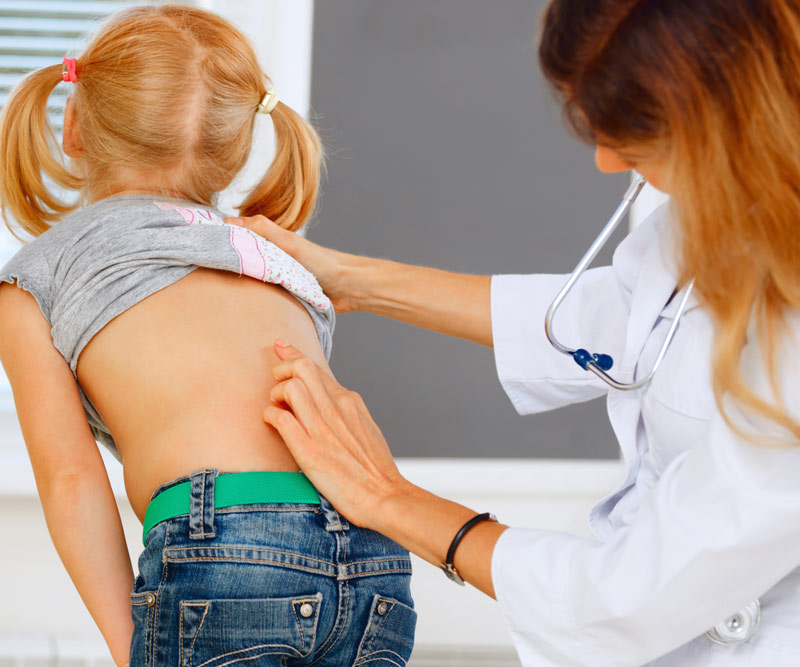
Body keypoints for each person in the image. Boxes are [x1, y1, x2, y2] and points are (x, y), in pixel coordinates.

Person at [227, 1, 800, 665]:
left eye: (637, 140)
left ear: (735, 127)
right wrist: (352, 280)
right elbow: (617, 318)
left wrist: (387, 496)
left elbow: (619, 593)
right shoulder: (731, 217)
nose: (607, 161)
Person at [0, 6, 416, 666]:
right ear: (236, 152)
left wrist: (130, 645)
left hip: (227, 543)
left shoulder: (39, 272)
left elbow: (72, 480)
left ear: (73, 124)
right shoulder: (272, 257)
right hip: (374, 547)